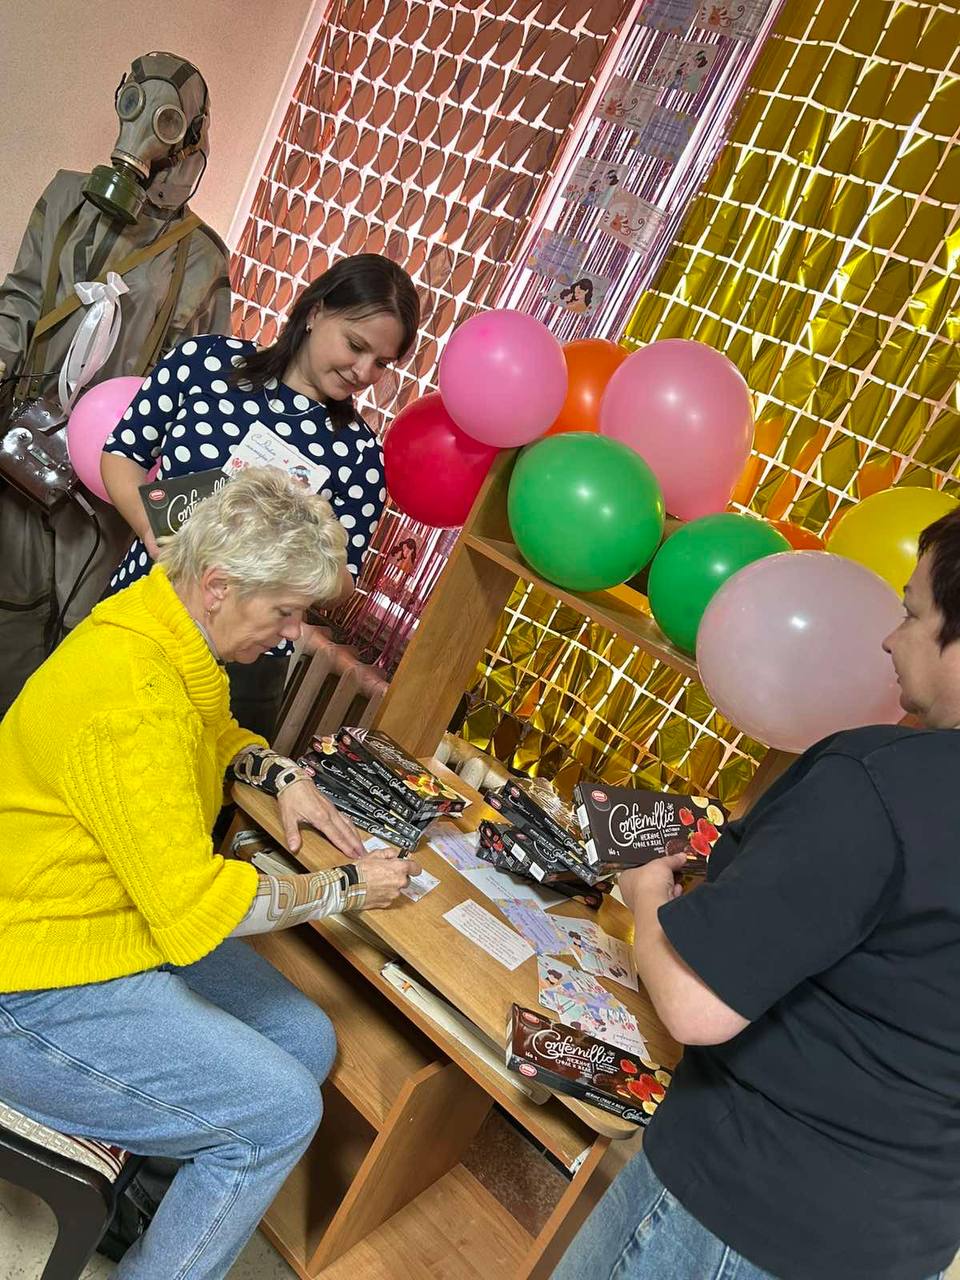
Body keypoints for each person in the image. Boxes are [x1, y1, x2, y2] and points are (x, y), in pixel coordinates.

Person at [0, 467, 419, 1280]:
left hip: (103, 927)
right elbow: (199, 905)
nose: (292, 634)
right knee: (279, 1115)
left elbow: (216, 730)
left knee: (306, 1038)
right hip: (29, 982)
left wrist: (281, 774)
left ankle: (154, 1208)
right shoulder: (133, 695)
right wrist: (347, 888)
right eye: (285, 612)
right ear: (221, 585)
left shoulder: (166, 628)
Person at [554, 508, 960, 1280]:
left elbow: (694, 1006)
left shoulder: (878, 781)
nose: (889, 639)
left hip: (744, 1207)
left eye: (913, 614)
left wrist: (645, 892)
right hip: (905, 1241)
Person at [100, 252, 421, 739]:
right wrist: (152, 529)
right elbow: (122, 454)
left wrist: (295, 536)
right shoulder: (205, 364)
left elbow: (342, 581)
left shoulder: (359, 455)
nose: (362, 371)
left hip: (246, 657)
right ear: (315, 311)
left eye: (381, 363)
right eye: (355, 346)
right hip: (146, 604)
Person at [0, 52, 232, 715]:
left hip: (103, 499)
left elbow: (197, 407)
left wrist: (171, 541)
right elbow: (19, 303)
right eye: (136, 106)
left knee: (62, 658)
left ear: (189, 138)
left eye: (167, 121)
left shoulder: (204, 260)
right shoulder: (65, 199)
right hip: (17, 460)